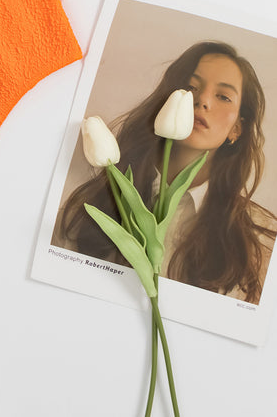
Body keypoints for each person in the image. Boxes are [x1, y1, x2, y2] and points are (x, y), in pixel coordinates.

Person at [53, 41, 277, 303]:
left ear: (237, 129)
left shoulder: (258, 239)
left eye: (223, 96)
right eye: (191, 87)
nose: (202, 100)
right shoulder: (94, 204)